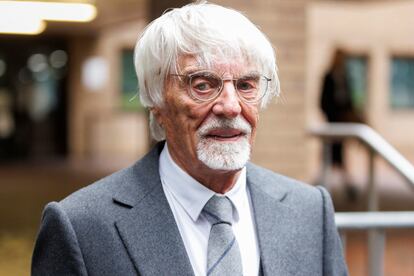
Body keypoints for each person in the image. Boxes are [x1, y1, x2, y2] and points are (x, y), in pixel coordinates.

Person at [32, 2, 347, 275]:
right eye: (202, 85)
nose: (230, 106)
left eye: (246, 85)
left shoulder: (309, 210)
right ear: (157, 104)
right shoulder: (81, 227)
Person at [320, 49, 362, 200]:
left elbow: (350, 100)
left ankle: (338, 187)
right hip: (332, 124)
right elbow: (322, 102)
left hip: (343, 124)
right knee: (330, 157)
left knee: (338, 157)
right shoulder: (329, 76)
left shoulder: (345, 77)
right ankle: (326, 189)